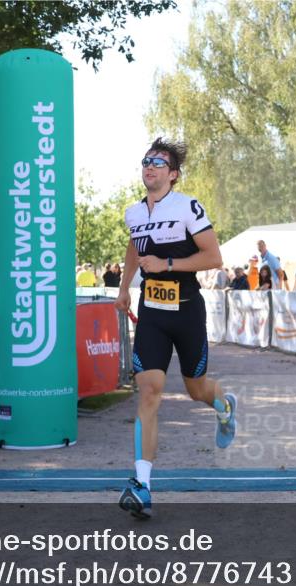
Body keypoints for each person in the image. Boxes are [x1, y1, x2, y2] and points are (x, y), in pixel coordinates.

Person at [114, 138, 237, 519]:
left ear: (173, 174)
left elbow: (213, 257)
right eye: (145, 161)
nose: (149, 167)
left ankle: (224, 406)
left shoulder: (188, 207)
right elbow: (135, 249)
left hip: (185, 311)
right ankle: (143, 486)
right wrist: (124, 289)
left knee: (195, 389)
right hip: (152, 313)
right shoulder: (133, 213)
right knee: (149, 391)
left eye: (158, 162)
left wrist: (166, 264)